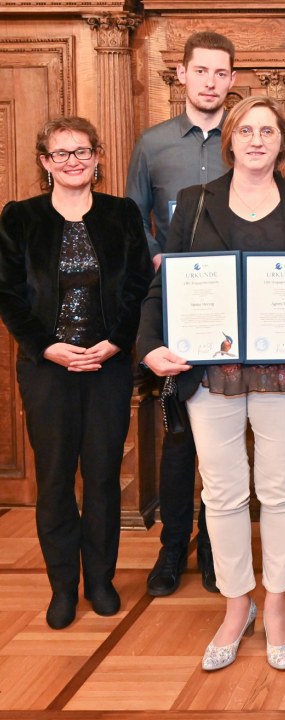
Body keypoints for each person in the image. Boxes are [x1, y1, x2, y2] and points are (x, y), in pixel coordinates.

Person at [138, 96, 285, 672]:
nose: (257, 140)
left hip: (284, 373)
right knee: (223, 493)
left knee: (281, 490)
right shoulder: (193, 203)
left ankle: (275, 605)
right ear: (230, 139)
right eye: (247, 130)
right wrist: (151, 345)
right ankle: (237, 606)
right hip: (211, 374)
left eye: (269, 131)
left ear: (283, 141)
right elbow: (166, 286)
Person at [0, 116, 152, 629]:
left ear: (97, 158)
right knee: (56, 479)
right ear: (45, 162)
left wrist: (115, 344)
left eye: (82, 152)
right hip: (47, 371)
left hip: (108, 366)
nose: (72, 161)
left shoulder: (122, 214)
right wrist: (49, 348)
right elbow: (9, 296)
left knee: (105, 476)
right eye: (61, 153)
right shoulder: (19, 218)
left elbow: (137, 287)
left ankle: (102, 580)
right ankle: (63, 586)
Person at [126, 30, 237, 597]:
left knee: (226, 438)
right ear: (183, 76)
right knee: (178, 440)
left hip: (234, 322)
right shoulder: (152, 144)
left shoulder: (245, 141)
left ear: (232, 80)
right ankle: (173, 550)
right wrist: (157, 267)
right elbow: (132, 222)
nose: (211, 82)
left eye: (221, 73)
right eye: (201, 72)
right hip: (177, 314)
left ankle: (218, 552)